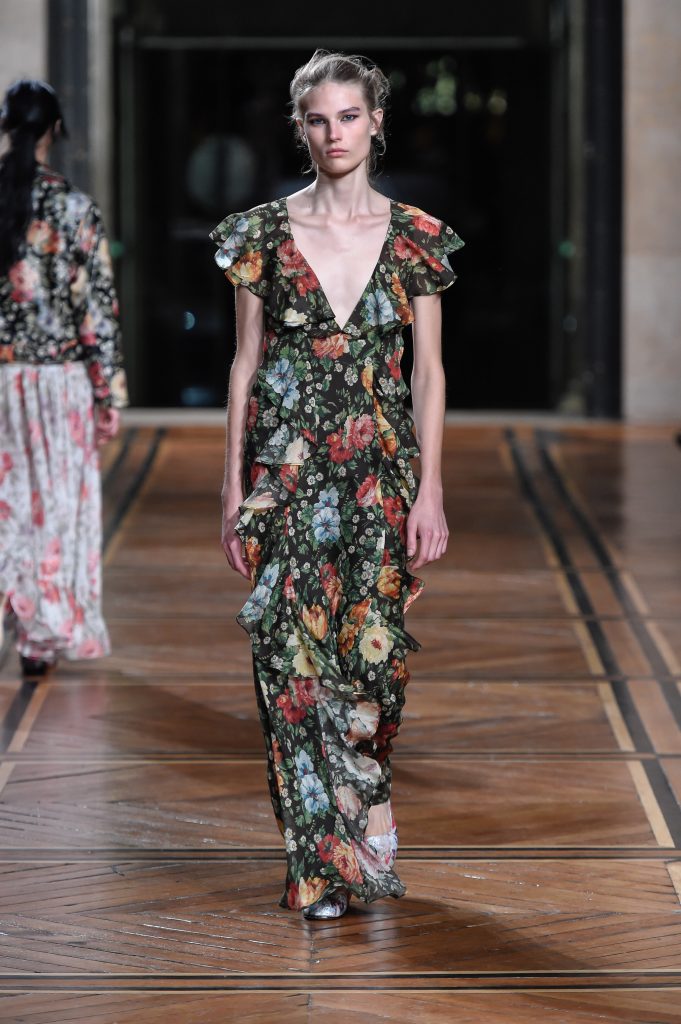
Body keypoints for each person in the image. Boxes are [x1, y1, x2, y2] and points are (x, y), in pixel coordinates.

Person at [211, 50, 463, 919]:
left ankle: (369, 803)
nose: (334, 133)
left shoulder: (414, 236)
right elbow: (244, 367)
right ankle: (317, 865)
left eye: (348, 116)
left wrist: (430, 489)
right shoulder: (261, 235)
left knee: (372, 668)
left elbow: (427, 373)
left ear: (376, 121)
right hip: (284, 478)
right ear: (300, 128)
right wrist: (230, 491)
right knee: (288, 668)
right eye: (317, 119)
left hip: (378, 481)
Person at [0, 80, 128, 679]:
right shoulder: (74, 209)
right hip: (58, 383)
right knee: (53, 508)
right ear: (55, 129)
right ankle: (40, 634)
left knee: (6, 503)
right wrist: (109, 393)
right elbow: (95, 311)